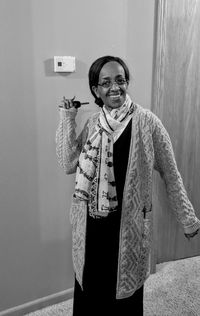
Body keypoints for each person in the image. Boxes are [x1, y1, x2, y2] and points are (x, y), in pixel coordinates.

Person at [56, 55, 200, 316]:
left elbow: (171, 174)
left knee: (124, 297)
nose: (115, 87)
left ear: (127, 83)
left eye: (120, 80)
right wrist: (68, 117)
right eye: (106, 82)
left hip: (129, 229)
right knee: (90, 289)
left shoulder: (148, 123)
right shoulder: (92, 124)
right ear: (95, 90)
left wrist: (187, 219)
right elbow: (68, 162)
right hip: (91, 226)